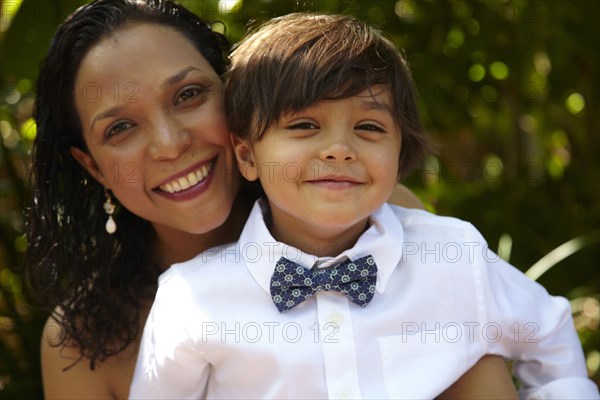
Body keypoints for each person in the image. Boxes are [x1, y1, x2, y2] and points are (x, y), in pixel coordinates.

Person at [23, 1, 519, 398]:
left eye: (189, 95)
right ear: (93, 166)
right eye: (121, 127)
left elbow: (482, 367)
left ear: (236, 96)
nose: (170, 143)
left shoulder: (387, 223)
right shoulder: (81, 345)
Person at [130, 13, 599, 399]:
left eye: (370, 128)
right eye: (305, 126)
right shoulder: (191, 299)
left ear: (400, 155)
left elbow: (550, 336)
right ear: (248, 156)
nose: (338, 149)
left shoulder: (453, 254)